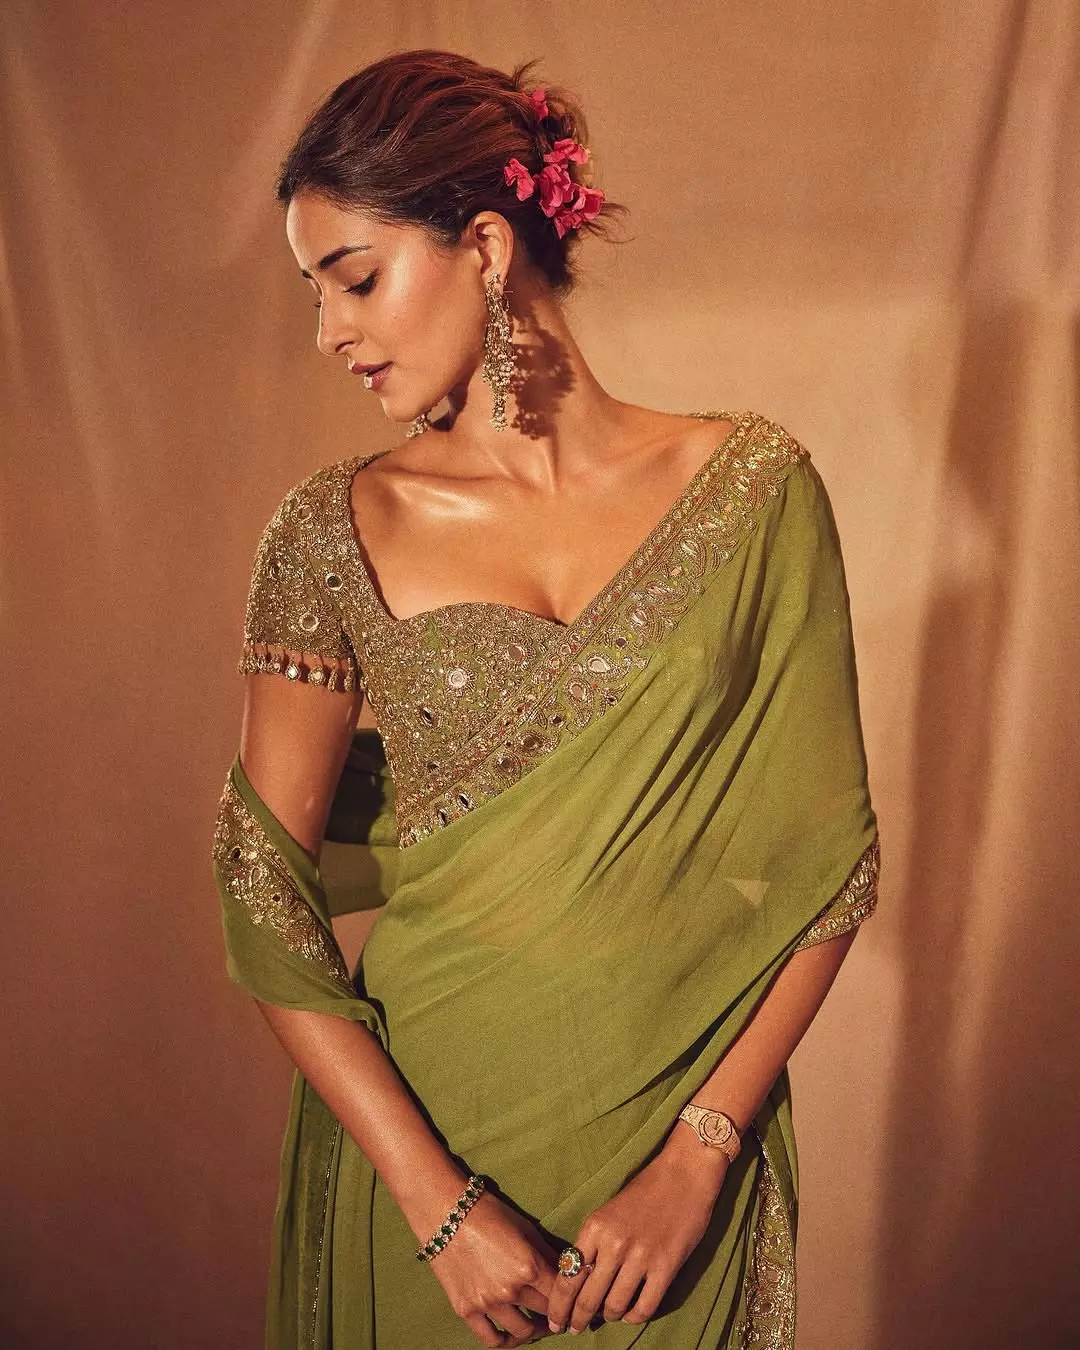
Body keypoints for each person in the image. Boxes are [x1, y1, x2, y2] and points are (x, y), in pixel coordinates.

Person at [211, 48, 881, 1350]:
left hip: (672, 1165)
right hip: (431, 1165)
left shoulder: (756, 493)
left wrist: (700, 1153)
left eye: (355, 278)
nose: (328, 331)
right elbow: (261, 890)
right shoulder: (331, 533)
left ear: (483, 244)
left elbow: (827, 865)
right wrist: (438, 1208)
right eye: (313, 292)